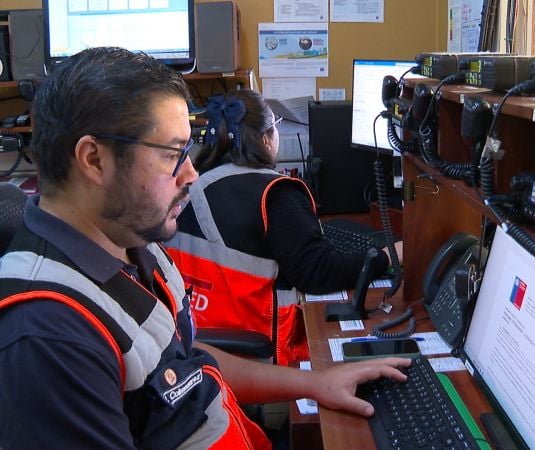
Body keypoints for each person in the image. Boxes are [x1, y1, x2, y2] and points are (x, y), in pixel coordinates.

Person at [0, 47, 410, 449]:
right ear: (94, 160)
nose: (191, 173)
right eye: (173, 155)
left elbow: (186, 360)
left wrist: (315, 383)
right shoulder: (47, 339)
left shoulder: (131, 244)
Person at [165, 89, 403, 366]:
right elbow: (318, 274)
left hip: (194, 337)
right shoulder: (275, 193)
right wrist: (387, 257)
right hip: (258, 351)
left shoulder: (192, 183)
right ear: (266, 138)